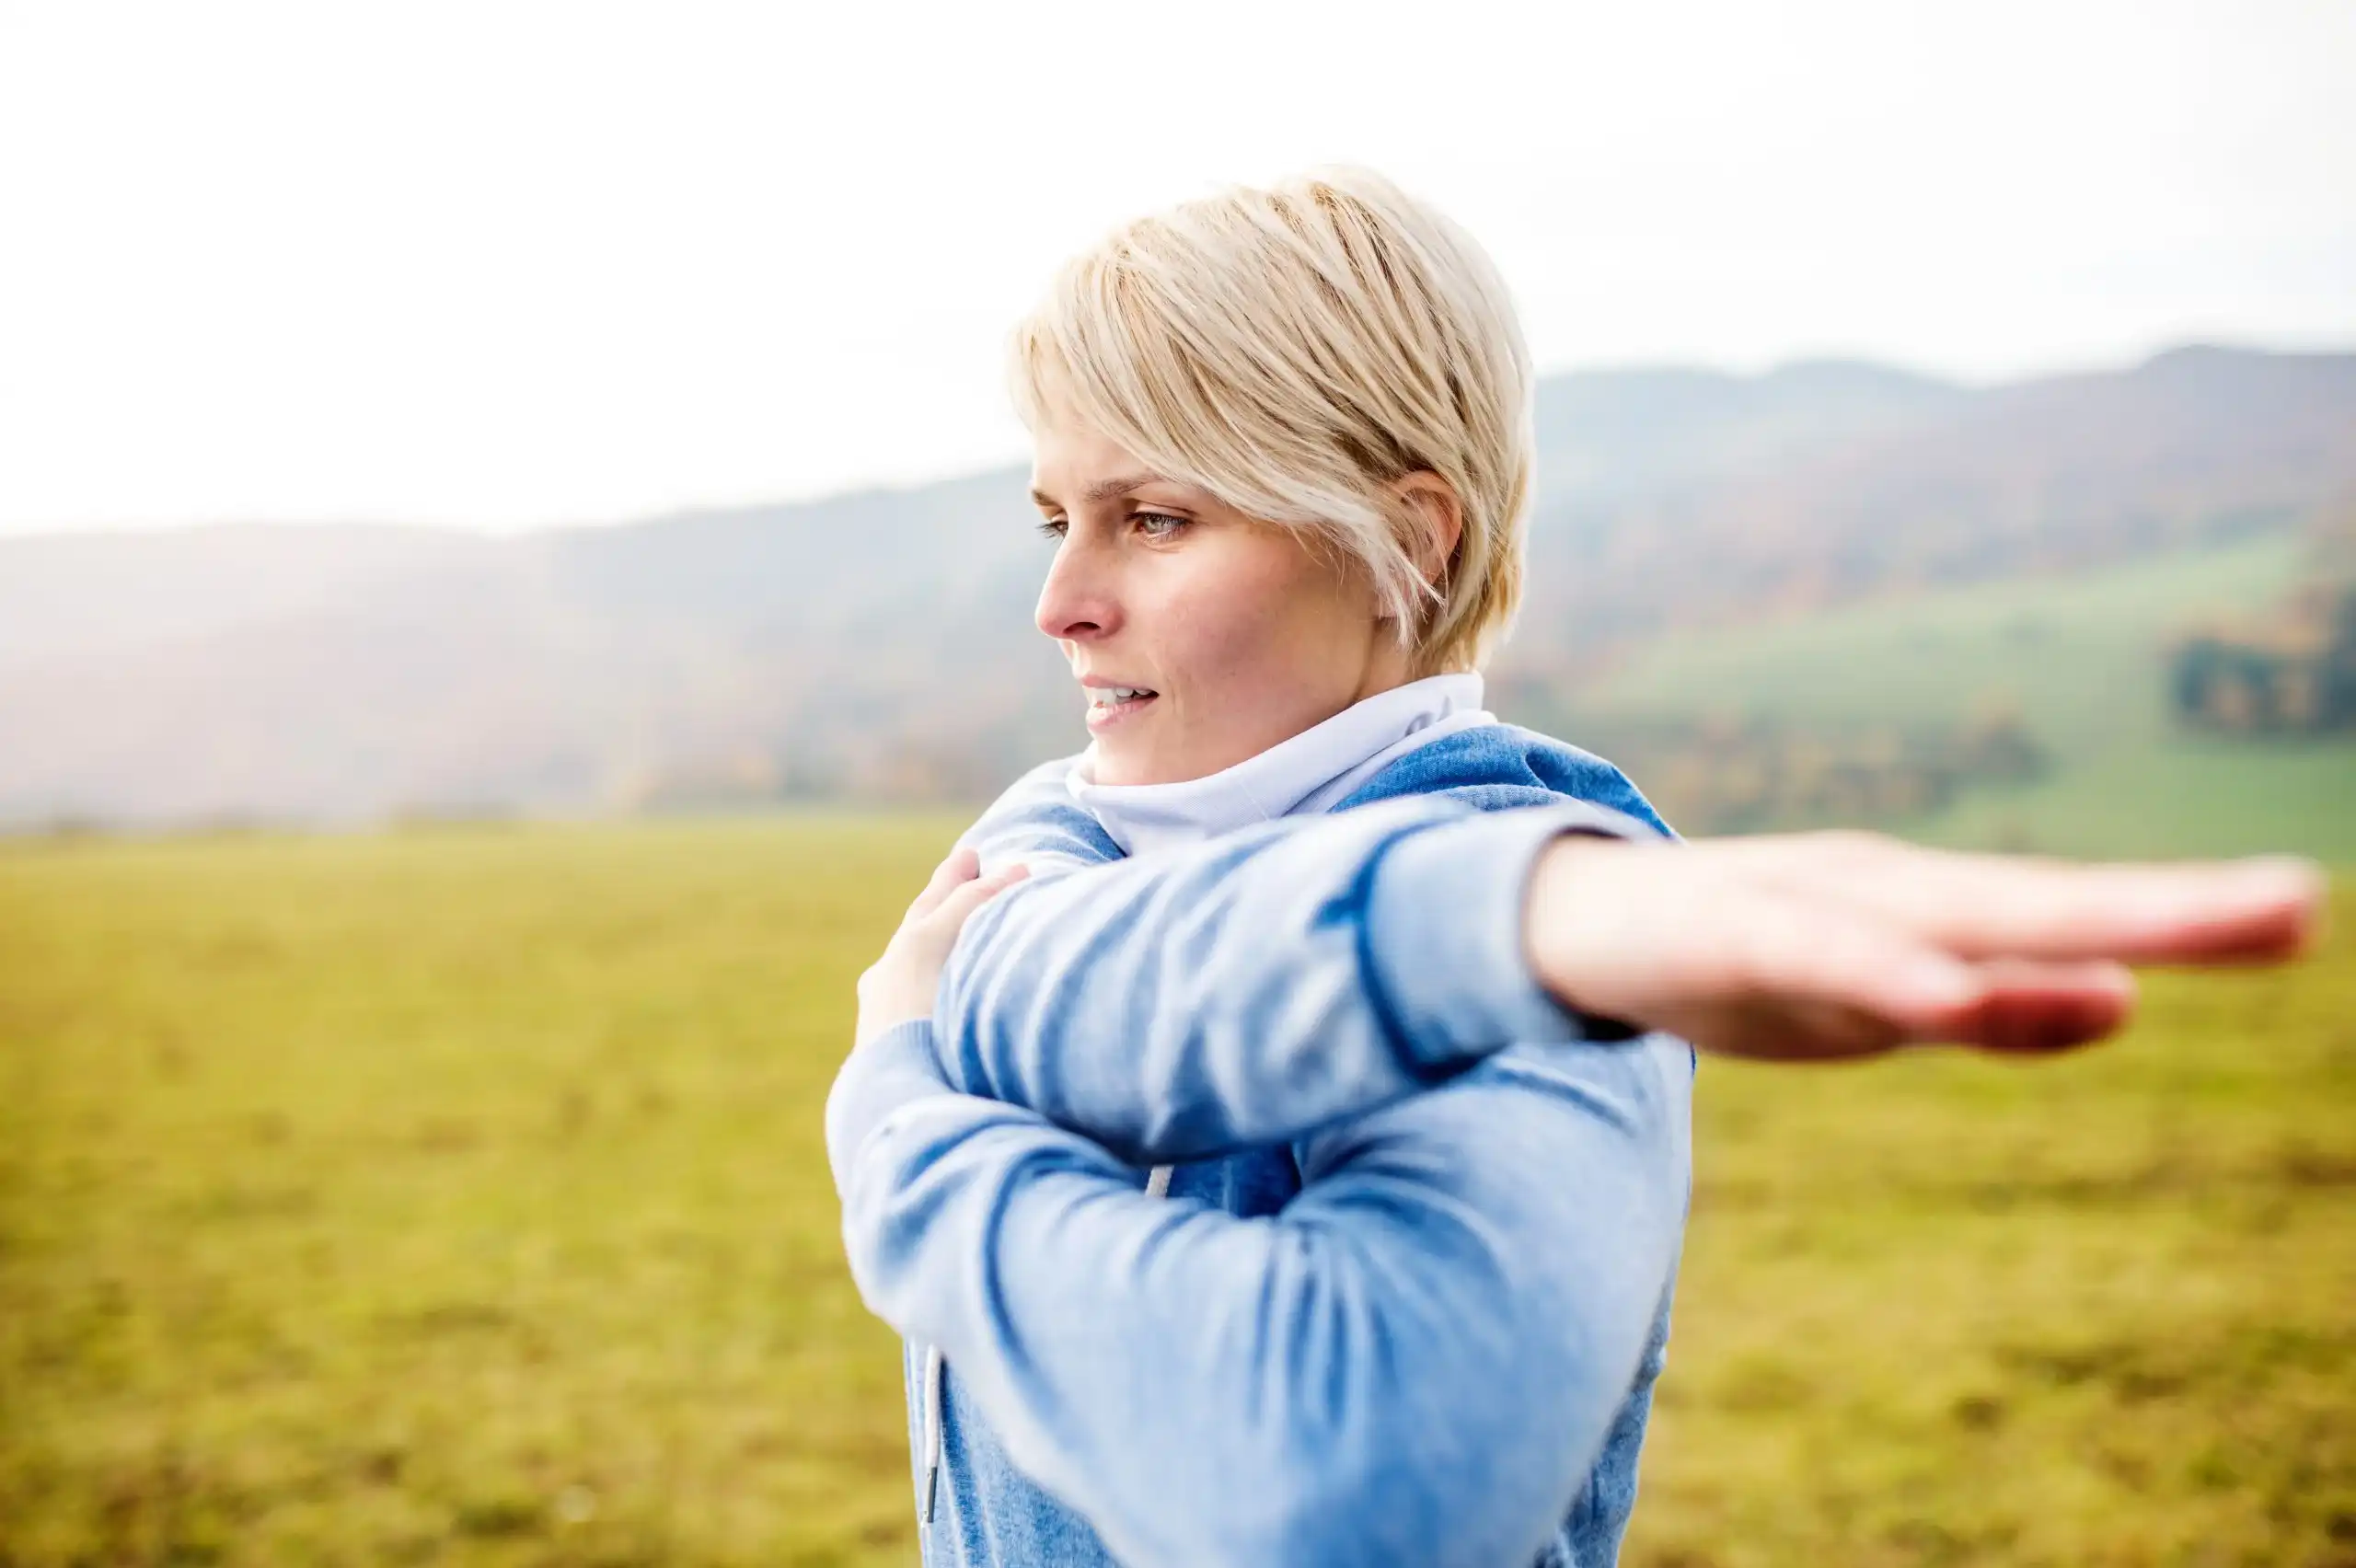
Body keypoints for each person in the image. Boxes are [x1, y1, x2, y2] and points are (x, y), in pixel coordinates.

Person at [825, 169, 2321, 1568]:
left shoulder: (1592, 958)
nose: (1060, 604)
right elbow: (1052, 971)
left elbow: (1345, 1480)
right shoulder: (1073, 825)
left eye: (1154, 518)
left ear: (1406, 547)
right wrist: (1515, 920)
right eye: (1056, 520)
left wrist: (903, 1130)